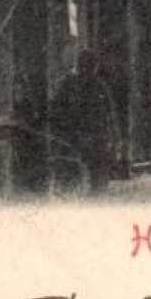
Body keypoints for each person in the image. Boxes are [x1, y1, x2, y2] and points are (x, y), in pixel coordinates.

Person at [51, 50, 117, 194]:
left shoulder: (68, 84)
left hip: (76, 139)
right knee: (96, 181)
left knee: (78, 180)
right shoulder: (99, 86)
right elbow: (109, 115)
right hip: (90, 140)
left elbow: (56, 110)